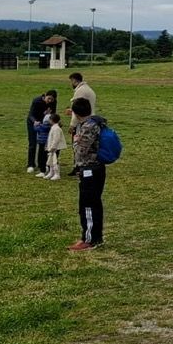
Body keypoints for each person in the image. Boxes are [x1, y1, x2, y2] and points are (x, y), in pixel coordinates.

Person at [68, 97, 106, 250]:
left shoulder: (88, 127)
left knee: (88, 205)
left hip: (90, 169)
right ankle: (96, 236)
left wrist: (76, 139)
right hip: (96, 168)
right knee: (94, 203)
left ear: (76, 113)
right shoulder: (96, 123)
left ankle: (89, 239)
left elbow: (81, 150)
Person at [26, 89, 55, 173]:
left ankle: (42, 164)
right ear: (45, 95)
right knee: (33, 143)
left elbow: (53, 113)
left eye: (52, 100)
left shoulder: (53, 102)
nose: (49, 101)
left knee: (43, 144)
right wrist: (34, 121)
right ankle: (31, 164)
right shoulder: (36, 101)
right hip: (33, 123)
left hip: (44, 123)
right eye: (48, 98)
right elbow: (31, 114)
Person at [44, 113, 66, 181]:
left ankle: (57, 174)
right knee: (50, 159)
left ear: (51, 120)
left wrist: (53, 147)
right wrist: (48, 146)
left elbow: (56, 139)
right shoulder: (54, 127)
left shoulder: (56, 129)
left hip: (55, 148)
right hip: (51, 147)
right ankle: (51, 172)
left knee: (55, 161)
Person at [34, 109, 53, 177]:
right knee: (47, 156)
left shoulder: (41, 126)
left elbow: (35, 129)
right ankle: (48, 167)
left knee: (41, 156)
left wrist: (36, 124)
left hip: (41, 143)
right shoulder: (51, 127)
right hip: (48, 143)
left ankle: (42, 170)